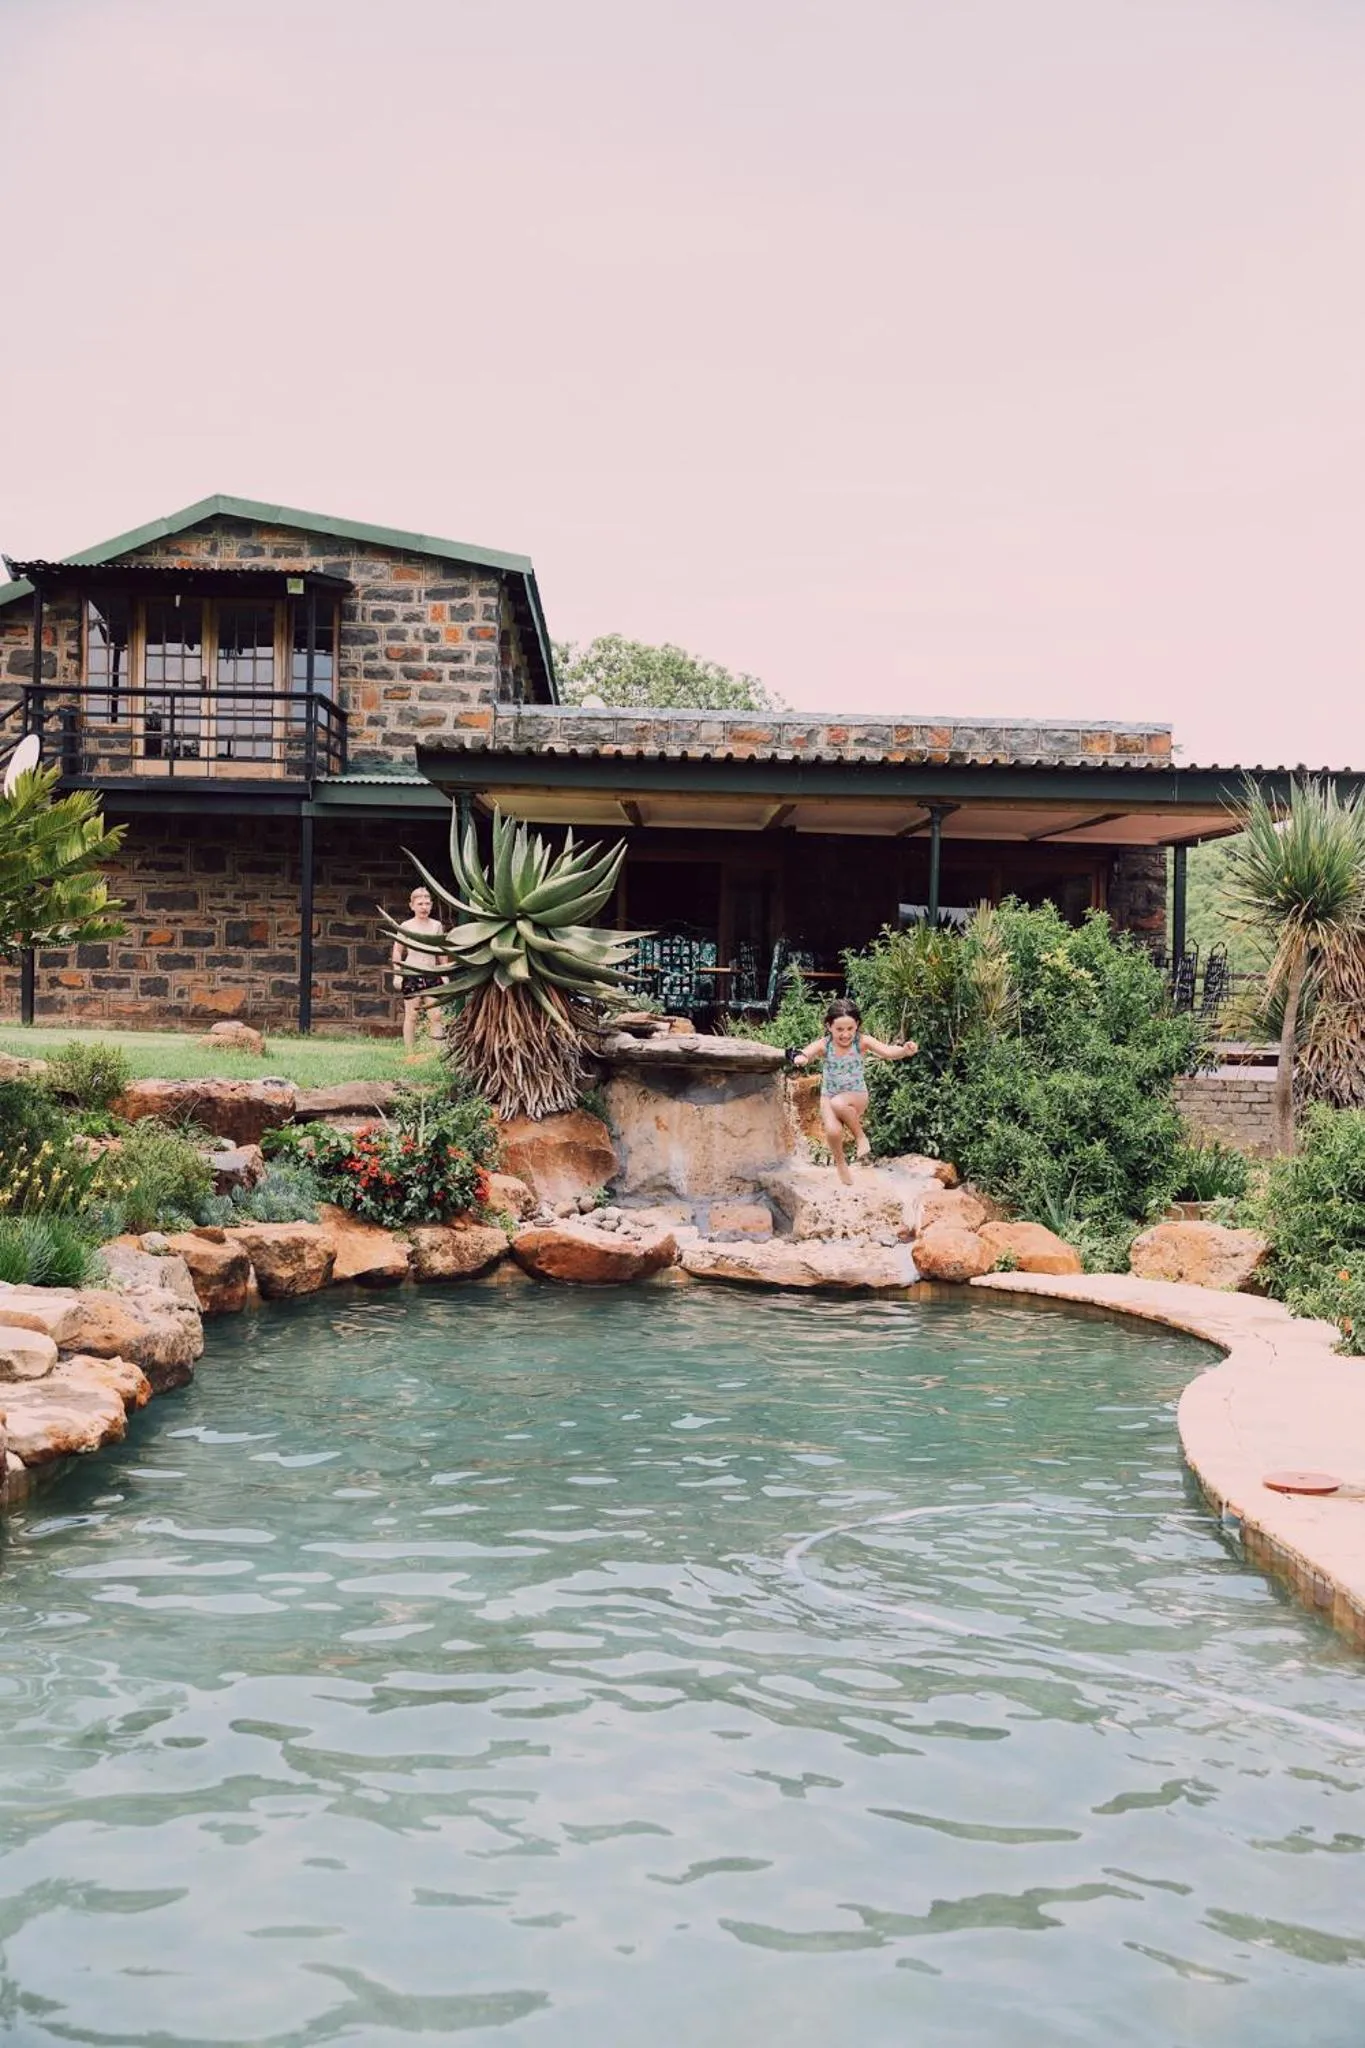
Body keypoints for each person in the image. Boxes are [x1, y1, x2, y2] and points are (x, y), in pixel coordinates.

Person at [792, 998, 917, 1185]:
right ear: (829, 1026)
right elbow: (806, 1052)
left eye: (850, 1029)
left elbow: (888, 1051)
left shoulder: (862, 1042)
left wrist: (904, 1051)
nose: (845, 1034)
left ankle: (861, 1137)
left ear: (857, 1025)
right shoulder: (824, 1045)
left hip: (856, 1095)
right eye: (840, 1030)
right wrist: (801, 1058)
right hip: (829, 1095)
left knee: (839, 1103)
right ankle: (841, 1163)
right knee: (833, 1132)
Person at [391, 886, 452, 1054]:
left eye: (427, 903)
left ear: (431, 905)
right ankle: (410, 1054)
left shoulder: (436, 926)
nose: (424, 907)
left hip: (432, 973)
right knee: (412, 1015)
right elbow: (397, 950)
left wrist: (444, 973)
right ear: (412, 906)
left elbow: (441, 950)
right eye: (420, 904)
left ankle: (437, 1053)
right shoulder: (406, 926)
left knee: (436, 1015)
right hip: (412, 973)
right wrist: (398, 974)